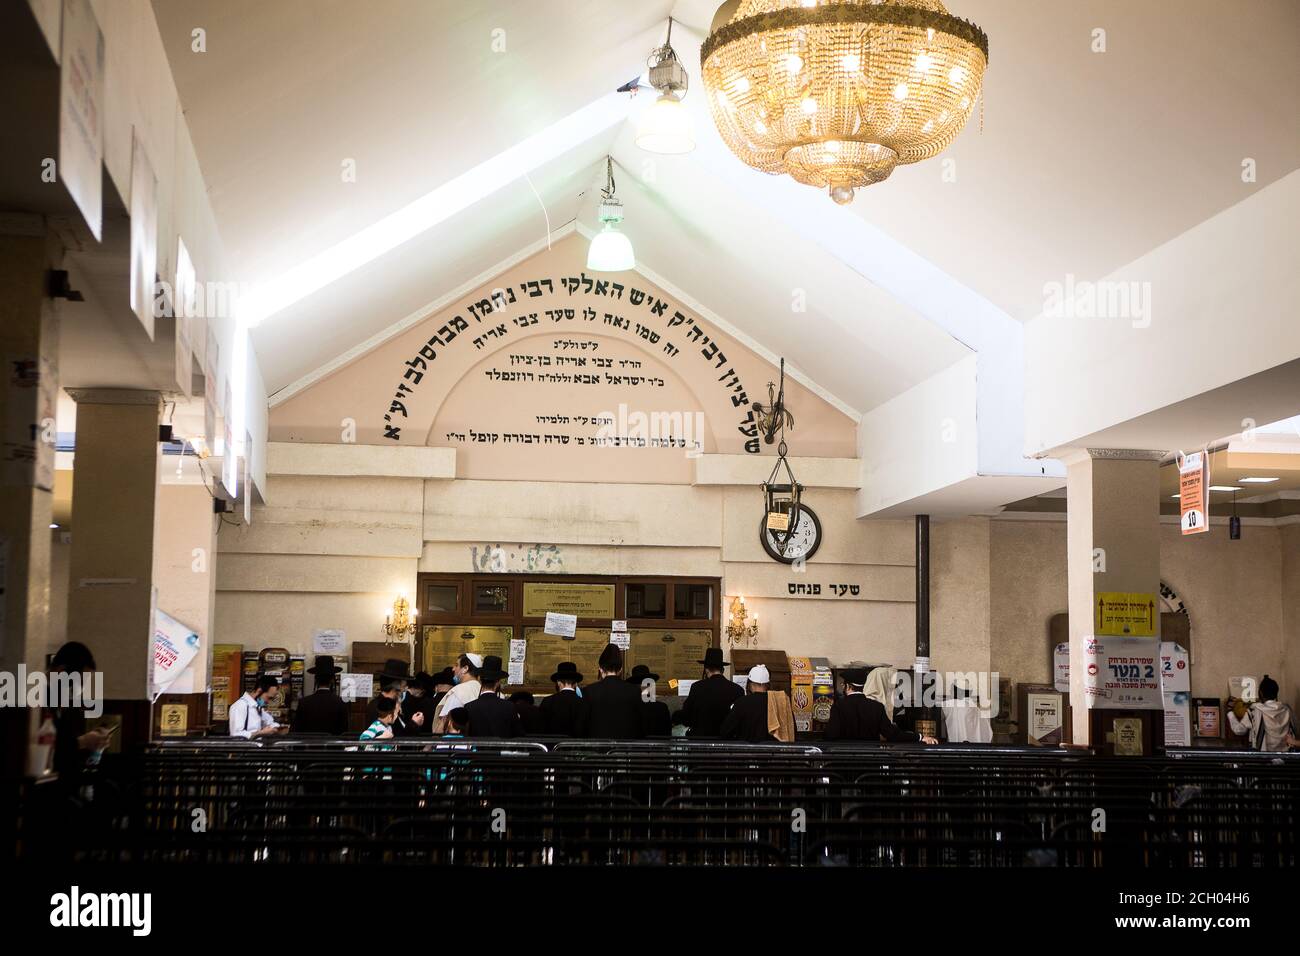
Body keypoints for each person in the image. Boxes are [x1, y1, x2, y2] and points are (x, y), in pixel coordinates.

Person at [825, 667, 938, 744]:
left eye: (842, 684)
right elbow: (892, 734)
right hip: (870, 761)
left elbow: (831, 735)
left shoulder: (838, 707)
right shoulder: (876, 707)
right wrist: (921, 737)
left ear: (848, 686)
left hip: (844, 761)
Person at [48, 641, 110, 779]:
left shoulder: (62, 702)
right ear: (61, 671)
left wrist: (92, 743)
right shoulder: (38, 700)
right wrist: (83, 741)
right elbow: (44, 746)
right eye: (79, 682)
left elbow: (65, 744)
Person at [582, 644, 644, 738]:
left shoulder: (589, 691)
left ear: (601, 669)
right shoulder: (634, 690)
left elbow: (584, 724)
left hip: (597, 747)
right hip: (625, 748)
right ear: (620, 670)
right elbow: (639, 723)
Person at [679, 647, 742, 737]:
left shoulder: (697, 687)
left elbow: (686, 717)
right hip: (726, 743)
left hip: (700, 742)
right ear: (722, 670)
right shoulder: (737, 690)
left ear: (706, 669)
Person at [720, 665, 794, 742]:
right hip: (774, 752)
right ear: (768, 684)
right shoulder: (780, 701)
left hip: (746, 752)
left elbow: (725, 732)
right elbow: (791, 728)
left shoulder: (741, 702)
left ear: (750, 684)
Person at [1228, 675, 1297, 752]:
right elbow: (1294, 731)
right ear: (1276, 692)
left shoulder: (1255, 711)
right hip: (1285, 758)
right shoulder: (1287, 709)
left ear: (1260, 693)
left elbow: (1239, 730)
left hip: (1263, 759)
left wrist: (1230, 712)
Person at [291, 655, 349, 735]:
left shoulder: (304, 703)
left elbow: (296, 730)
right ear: (332, 680)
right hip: (333, 746)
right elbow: (344, 731)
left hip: (309, 746)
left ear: (316, 679)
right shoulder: (340, 703)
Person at [464, 656, 520, 737]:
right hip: (501, 749)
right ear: (498, 682)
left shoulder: (469, 707)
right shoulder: (509, 707)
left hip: (477, 749)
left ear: (480, 679)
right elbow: (517, 733)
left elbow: (467, 734)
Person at [432, 653, 483, 733]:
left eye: (456, 665)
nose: (453, 669)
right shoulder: (481, 688)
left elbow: (444, 723)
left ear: (465, 668)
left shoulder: (459, 691)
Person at [540, 661, 588, 736]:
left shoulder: (547, 701)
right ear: (575, 684)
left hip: (552, 745)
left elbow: (542, 729)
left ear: (558, 682)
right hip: (575, 746)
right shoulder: (584, 703)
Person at [628, 664, 671, 737]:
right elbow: (667, 734)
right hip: (658, 747)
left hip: (635, 747)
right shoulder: (662, 708)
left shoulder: (629, 708)